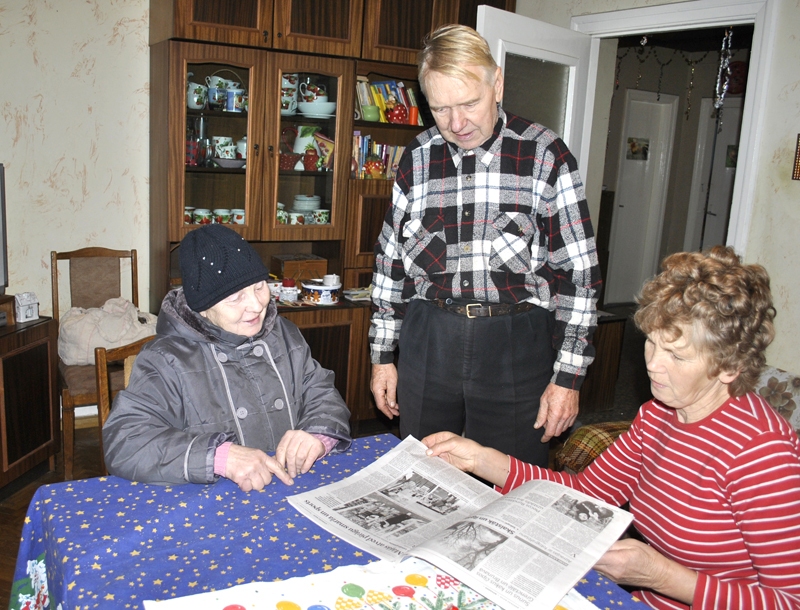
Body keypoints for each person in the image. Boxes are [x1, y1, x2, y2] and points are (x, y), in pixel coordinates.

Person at [423, 246, 800, 609]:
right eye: (652, 344)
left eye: (677, 355)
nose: (653, 364)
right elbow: (584, 493)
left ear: (729, 366)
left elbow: (790, 602)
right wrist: (484, 460)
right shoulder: (658, 415)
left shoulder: (762, 454)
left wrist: (661, 576)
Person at [369, 24, 601, 466]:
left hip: (515, 346)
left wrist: (568, 377)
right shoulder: (416, 159)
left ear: (497, 84)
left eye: (469, 103)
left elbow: (580, 277)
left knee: (510, 485)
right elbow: (389, 265)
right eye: (440, 109)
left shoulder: (545, 156)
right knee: (420, 477)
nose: (457, 123)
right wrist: (382, 356)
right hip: (429, 342)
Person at [103, 224, 352, 490]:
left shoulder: (284, 334)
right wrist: (218, 457)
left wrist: (317, 433)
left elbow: (321, 391)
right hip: (214, 503)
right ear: (203, 308)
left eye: (260, 287)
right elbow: (124, 442)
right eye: (236, 298)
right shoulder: (166, 359)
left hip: (292, 487)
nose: (257, 305)